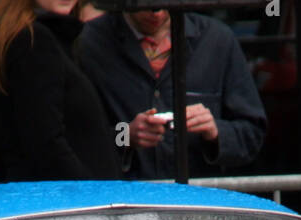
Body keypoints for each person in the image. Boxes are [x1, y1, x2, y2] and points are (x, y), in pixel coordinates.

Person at [79, 8, 267, 180]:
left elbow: (252, 133)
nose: (156, 13)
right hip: (124, 202)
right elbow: (74, 139)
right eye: (146, 4)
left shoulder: (217, 40)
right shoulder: (88, 43)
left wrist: (215, 132)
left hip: (201, 202)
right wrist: (125, 135)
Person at [0, 0, 120, 181]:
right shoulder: (33, 40)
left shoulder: (34, 36)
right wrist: (89, 195)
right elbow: (45, 144)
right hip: (68, 200)